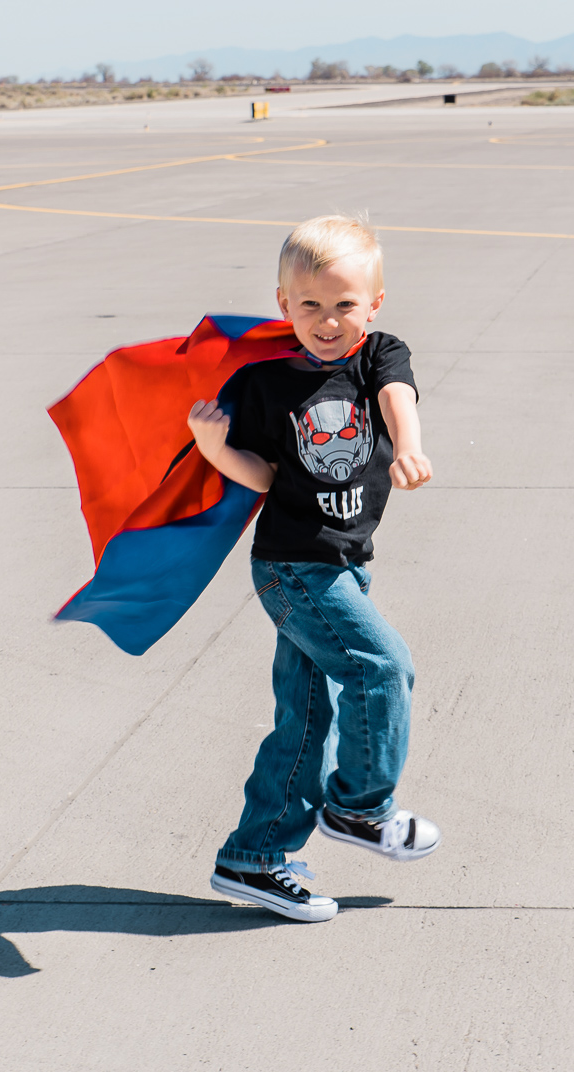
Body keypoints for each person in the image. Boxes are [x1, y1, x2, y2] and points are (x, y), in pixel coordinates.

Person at [185, 215, 440, 922]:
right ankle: (360, 808)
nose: (328, 322)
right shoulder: (267, 382)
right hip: (295, 568)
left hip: (345, 566)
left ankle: (254, 858)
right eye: (310, 306)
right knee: (381, 667)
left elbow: (398, 397)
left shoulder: (378, 355)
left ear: (374, 304)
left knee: (305, 719)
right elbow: (262, 476)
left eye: (344, 305)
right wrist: (211, 447)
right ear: (283, 303)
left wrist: (411, 445)